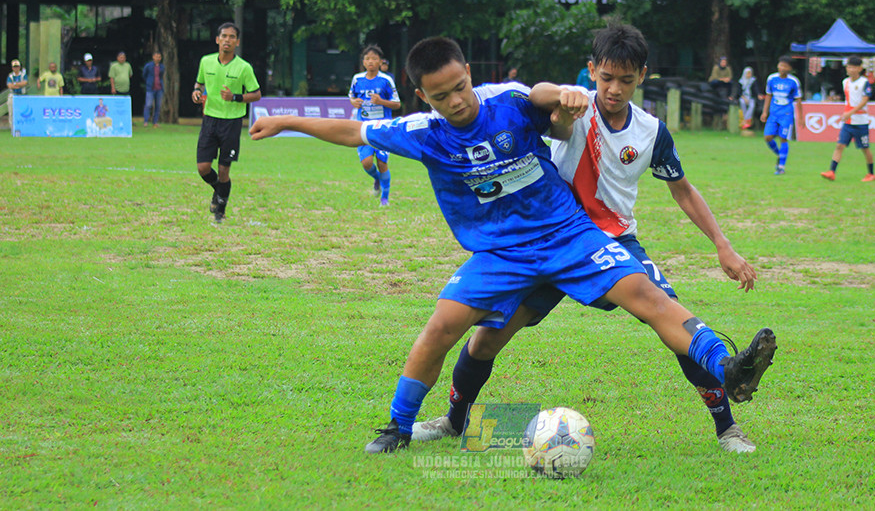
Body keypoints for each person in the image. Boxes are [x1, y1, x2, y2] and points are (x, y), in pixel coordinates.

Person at [249, 36, 777, 455]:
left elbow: (539, 95)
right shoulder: (424, 132)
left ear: (469, 74)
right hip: (501, 254)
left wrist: (563, 94)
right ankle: (401, 426)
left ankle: (729, 369)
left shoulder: (508, 101)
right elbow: (356, 133)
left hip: (572, 236)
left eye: (460, 87)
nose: (456, 101)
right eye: (441, 96)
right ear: (424, 97)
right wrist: (286, 120)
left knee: (650, 297)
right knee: (450, 330)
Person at [412, 23, 763, 453]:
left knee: (672, 320)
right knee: (486, 339)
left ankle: (727, 428)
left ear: (642, 76)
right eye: (606, 78)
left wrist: (722, 245)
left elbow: (683, 189)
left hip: (613, 242)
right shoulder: (568, 108)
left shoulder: (651, 132)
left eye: (626, 80)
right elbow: (525, 104)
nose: (614, 89)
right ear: (591, 70)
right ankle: (455, 420)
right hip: (548, 238)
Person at [192, 23, 262, 223]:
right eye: (224, 36)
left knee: (224, 170)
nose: (227, 40)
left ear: (237, 42)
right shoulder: (206, 62)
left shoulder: (244, 67)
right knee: (203, 168)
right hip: (210, 119)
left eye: (232, 37)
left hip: (231, 123)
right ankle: (219, 189)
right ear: (217, 39)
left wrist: (235, 97)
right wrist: (196, 92)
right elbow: (199, 83)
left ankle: (220, 212)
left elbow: (256, 94)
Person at [348, 44, 401, 206]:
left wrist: (381, 101)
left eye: (374, 59)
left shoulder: (386, 80)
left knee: (382, 162)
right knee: (366, 163)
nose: (371, 61)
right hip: (363, 128)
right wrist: (354, 102)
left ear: (380, 62)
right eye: (367, 59)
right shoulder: (357, 79)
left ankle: (385, 199)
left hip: (383, 128)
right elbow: (351, 96)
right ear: (363, 62)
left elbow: (397, 104)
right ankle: (377, 179)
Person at [820, 56, 875, 182]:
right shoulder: (845, 82)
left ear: (860, 68)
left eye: (853, 67)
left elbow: (864, 100)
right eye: (849, 67)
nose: (850, 69)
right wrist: (847, 114)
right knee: (840, 145)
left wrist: (850, 113)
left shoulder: (864, 82)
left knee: (865, 148)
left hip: (861, 122)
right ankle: (832, 171)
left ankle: (871, 173)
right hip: (848, 122)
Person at [760, 56, 804, 175]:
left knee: (783, 138)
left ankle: (781, 167)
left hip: (786, 113)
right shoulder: (771, 78)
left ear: (790, 68)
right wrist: (765, 111)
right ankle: (780, 155)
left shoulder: (793, 81)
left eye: (785, 66)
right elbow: (769, 95)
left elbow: (798, 99)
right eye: (780, 65)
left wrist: (801, 117)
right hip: (774, 113)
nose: (782, 68)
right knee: (767, 137)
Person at [143, 51, 166, 127]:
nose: (158, 58)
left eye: (159, 57)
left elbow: (161, 76)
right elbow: (144, 75)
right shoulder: (148, 66)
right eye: (156, 56)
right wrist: (148, 82)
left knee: (158, 106)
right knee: (148, 105)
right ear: (153, 57)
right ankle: (146, 121)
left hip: (159, 88)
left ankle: (155, 122)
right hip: (150, 88)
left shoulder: (162, 67)